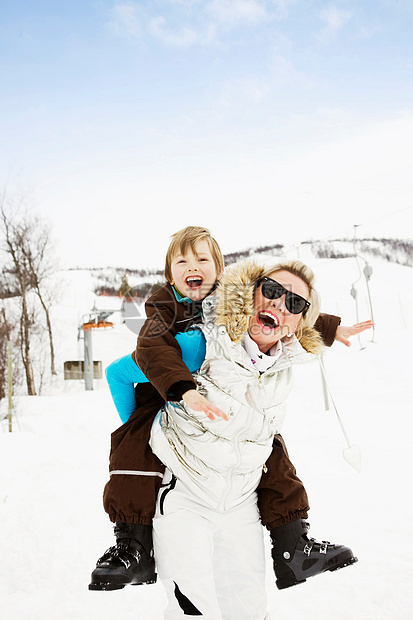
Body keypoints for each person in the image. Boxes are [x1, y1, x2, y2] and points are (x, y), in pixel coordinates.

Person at [89, 226, 373, 592]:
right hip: (167, 386)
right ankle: (133, 545)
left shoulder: (232, 299)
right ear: (169, 272)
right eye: (182, 261)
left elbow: (288, 308)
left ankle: (293, 545)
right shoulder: (165, 307)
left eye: (203, 259)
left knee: (271, 451)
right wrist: (172, 396)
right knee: (133, 445)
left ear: (220, 269)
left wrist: (333, 329)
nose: (194, 266)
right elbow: (146, 350)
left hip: (211, 405)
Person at [149, 257, 357, 618]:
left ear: (295, 325)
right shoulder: (208, 338)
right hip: (186, 496)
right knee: (194, 608)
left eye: (293, 303)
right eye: (272, 291)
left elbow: (307, 332)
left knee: (247, 608)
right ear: (250, 294)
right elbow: (149, 347)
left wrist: (330, 328)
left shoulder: (282, 367)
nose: (279, 303)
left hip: (241, 507)